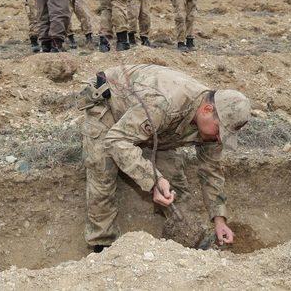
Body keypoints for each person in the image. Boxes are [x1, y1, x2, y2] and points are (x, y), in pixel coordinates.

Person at [78, 64, 251, 252]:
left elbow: (211, 171)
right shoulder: (165, 104)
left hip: (154, 124)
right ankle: (102, 245)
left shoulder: (213, 126)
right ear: (207, 110)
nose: (219, 138)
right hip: (110, 104)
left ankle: (189, 239)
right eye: (219, 131)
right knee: (102, 170)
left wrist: (219, 220)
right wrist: (153, 180)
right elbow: (116, 140)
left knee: (173, 178)